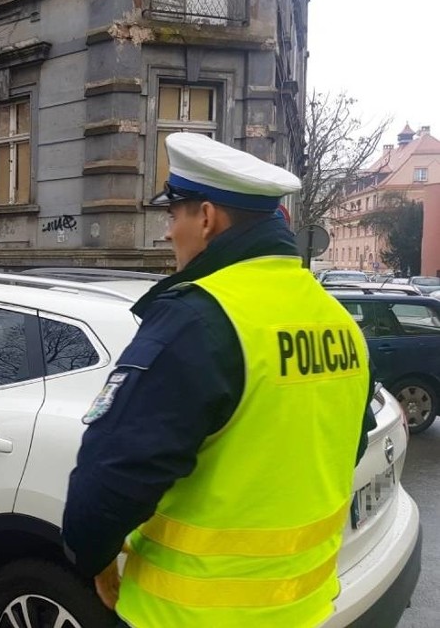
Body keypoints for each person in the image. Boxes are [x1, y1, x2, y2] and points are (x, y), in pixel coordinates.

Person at [62, 133, 377, 628]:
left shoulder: (200, 319)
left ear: (206, 218)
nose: (168, 234)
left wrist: (95, 561)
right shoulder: (338, 321)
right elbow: (345, 446)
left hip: (185, 615)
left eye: (173, 216)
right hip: (304, 608)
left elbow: (109, 480)